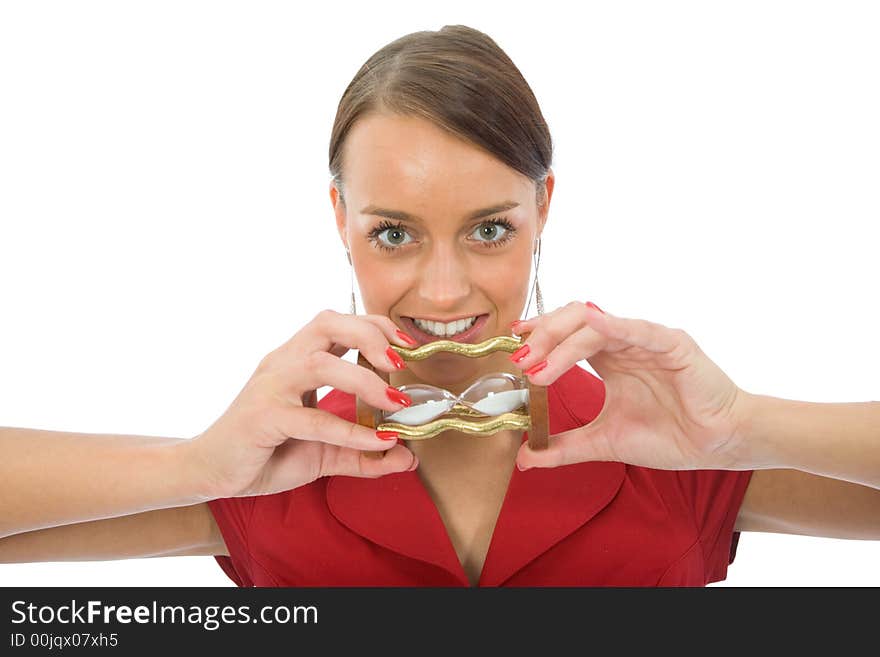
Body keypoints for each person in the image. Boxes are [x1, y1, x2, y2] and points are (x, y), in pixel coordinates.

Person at [1, 25, 878, 587]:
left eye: (491, 230)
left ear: (544, 209)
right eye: (394, 234)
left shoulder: (676, 445)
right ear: (341, 218)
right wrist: (194, 465)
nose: (447, 290)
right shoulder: (268, 470)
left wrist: (742, 423)